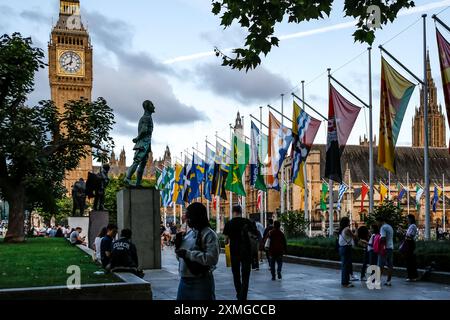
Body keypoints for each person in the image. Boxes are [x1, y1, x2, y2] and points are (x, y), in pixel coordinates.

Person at [175, 202, 219, 300]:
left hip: (201, 282)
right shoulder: (189, 234)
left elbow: (212, 258)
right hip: (184, 280)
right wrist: (178, 247)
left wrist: (189, 254)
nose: (187, 220)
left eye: (189, 217)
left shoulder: (209, 234)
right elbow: (180, 258)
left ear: (198, 216)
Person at [223, 205, 258, 301]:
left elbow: (226, 241)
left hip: (234, 251)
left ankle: (239, 294)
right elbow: (255, 235)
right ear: (241, 212)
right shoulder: (247, 222)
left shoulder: (229, 223)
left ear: (233, 211)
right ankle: (244, 296)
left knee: (236, 274)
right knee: (246, 275)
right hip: (246, 251)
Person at [338, 217, 357, 288]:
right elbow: (355, 236)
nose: (350, 222)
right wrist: (356, 228)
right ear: (347, 222)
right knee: (346, 266)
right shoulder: (347, 229)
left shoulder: (342, 229)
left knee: (346, 265)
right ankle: (345, 282)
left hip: (342, 248)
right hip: (346, 248)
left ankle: (346, 281)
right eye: (349, 221)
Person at [376, 216, 394, 286]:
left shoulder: (383, 227)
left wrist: (377, 241)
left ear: (380, 221)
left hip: (384, 248)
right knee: (390, 265)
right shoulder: (390, 227)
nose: (377, 223)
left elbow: (383, 238)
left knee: (380, 265)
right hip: (390, 247)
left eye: (377, 222)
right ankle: (388, 281)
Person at [404, 214, 419, 281]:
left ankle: (412, 276)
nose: (406, 220)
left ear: (411, 219)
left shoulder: (413, 226)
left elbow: (410, 236)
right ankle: (411, 276)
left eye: (407, 218)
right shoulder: (411, 226)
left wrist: (404, 233)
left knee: (410, 260)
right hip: (409, 243)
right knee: (409, 260)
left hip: (410, 244)